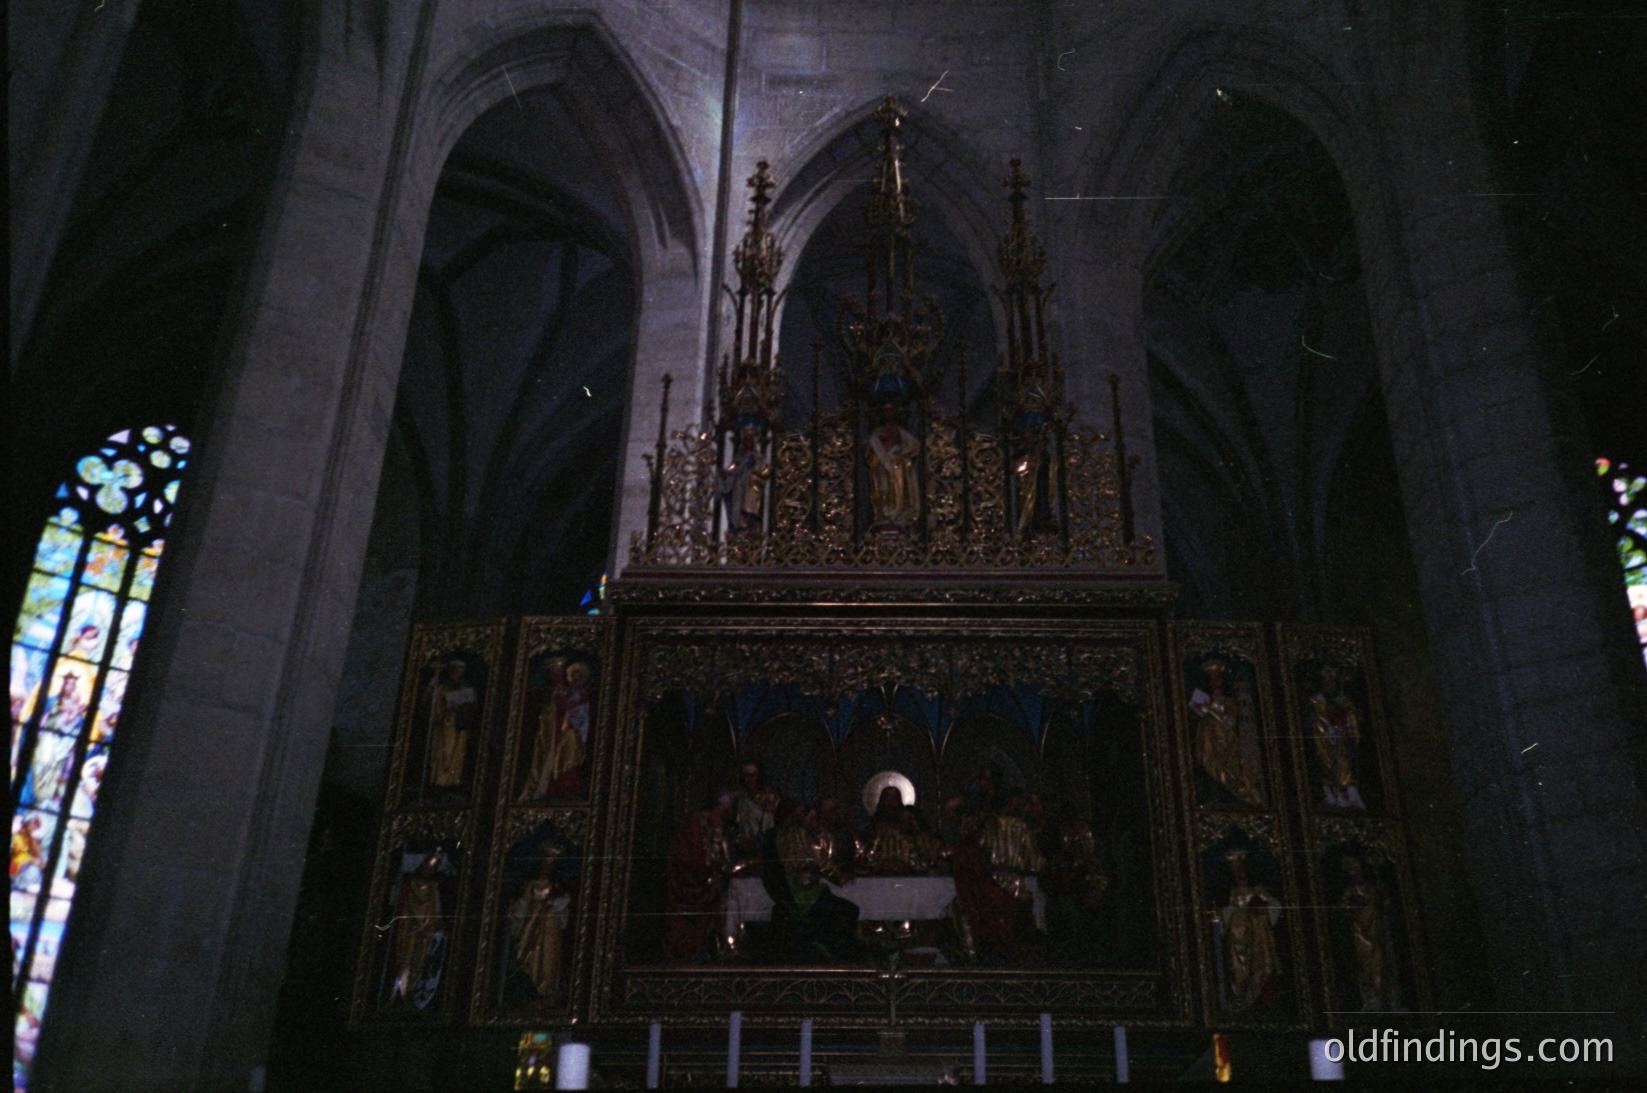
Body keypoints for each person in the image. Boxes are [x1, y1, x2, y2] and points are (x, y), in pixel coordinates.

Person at [663, 793, 736, 962]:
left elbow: (721, 856)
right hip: (688, 885)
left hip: (706, 887)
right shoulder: (695, 824)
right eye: (724, 810)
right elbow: (693, 858)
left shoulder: (714, 826)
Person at [1190, 659, 1263, 806]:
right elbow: (1195, 715)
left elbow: (1231, 720)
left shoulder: (1229, 701)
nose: (1215, 681)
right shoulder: (1204, 700)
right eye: (1212, 679)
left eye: (1217, 678)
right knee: (1210, 764)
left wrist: (1217, 713)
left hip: (1227, 738)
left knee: (1231, 767)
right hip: (1209, 737)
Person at [1219, 848, 1282, 1011]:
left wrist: (1260, 909)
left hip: (1258, 938)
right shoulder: (1230, 894)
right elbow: (1224, 915)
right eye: (1235, 870)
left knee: (1261, 966)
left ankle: (1261, 998)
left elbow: (1275, 906)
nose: (1239, 873)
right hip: (1238, 940)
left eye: (1240, 868)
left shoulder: (1258, 891)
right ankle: (1242, 996)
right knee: (1238, 968)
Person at [509, 846, 567, 1004]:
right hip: (531, 925)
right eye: (545, 864)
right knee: (529, 955)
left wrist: (553, 903)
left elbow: (563, 906)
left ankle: (546, 989)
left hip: (549, 928)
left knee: (546, 958)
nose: (547, 868)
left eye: (550, 865)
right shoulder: (531, 885)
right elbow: (523, 905)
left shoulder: (556, 888)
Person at [389, 851, 445, 1005]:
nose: (428, 871)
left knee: (419, 962)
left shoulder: (433, 887)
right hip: (408, 929)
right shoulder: (411, 885)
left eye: (432, 869)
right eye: (427, 867)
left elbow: (436, 908)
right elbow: (400, 904)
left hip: (425, 932)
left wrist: (436, 924)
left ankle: (410, 991)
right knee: (405, 959)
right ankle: (399, 991)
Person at [1341, 857, 1395, 1011]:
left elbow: (1384, 905)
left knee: (1380, 963)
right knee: (1364, 965)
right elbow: (1345, 910)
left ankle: (1384, 995)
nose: (1356, 875)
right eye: (1353, 872)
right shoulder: (1350, 892)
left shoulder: (1373, 889)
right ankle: (1370, 996)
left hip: (1375, 930)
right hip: (1360, 933)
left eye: (1358, 871)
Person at [1309, 664, 1365, 809]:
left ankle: (1348, 795)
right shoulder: (1316, 701)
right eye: (1326, 679)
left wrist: (1344, 721)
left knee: (1345, 766)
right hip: (1326, 738)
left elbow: (1351, 721)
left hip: (1341, 738)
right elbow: (1318, 721)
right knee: (1327, 765)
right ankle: (1330, 794)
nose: (1329, 682)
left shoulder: (1344, 702)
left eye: (1332, 679)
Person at [864, 401, 920, 528]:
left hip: (898, 467)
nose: (888, 413)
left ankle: (899, 515)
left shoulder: (901, 432)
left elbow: (914, 447)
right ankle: (883, 515)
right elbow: (868, 451)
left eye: (891, 410)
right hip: (881, 468)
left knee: (898, 490)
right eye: (886, 410)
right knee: (882, 490)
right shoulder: (877, 433)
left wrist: (898, 444)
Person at [427, 660, 478, 789]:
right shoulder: (444, 687)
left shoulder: (464, 686)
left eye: (462, 669)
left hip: (459, 721)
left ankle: (453, 778)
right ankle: (441, 778)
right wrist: (446, 707)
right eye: (458, 668)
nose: (460, 671)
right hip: (446, 721)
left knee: (457, 749)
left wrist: (462, 705)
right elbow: (437, 703)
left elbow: (471, 703)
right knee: (446, 749)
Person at [719, 425, 772, 535]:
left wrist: (755, 468)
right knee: (736, 506)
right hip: (739, 484)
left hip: (751, 486)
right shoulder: (739, 457)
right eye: (746, 441)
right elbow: (733, 469)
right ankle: (737, 526)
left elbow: (765, 470)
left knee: (749, 508)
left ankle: (749, 527)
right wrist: (726, 475)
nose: (747, 443)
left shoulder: (757, 457)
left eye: (749, 440)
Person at [733, 761, 781, 854]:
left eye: (752, 776)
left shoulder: (770, 796)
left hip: (766, 844)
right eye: (745, 776)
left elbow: (775, 815)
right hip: (747, 845)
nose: (748, 780)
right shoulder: (742, 799)